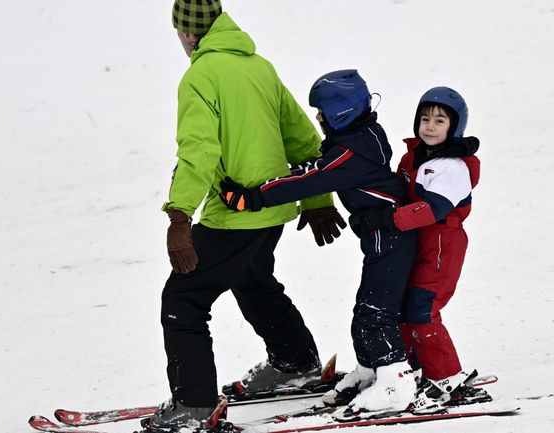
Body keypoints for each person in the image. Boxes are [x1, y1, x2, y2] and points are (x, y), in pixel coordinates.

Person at [148, 1, 348, 431]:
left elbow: (199, 151)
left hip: (236, 213)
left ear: (187, 33)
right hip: (273, 208)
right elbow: (302, 137)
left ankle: (193, 406)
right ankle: (296, 362)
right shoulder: (259, 67)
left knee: (183, 300)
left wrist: (180, 217)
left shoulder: (200, 76)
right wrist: (316, 200)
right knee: (252, 279)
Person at [219, 69, 418, 414]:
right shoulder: (360, 140)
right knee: (365, 311)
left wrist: (253, 197)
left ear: (340, 114)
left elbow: (310, 178)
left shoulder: (350, 156)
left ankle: (395, 383)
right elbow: (317, 168)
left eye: (321, 114)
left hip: (391, 239)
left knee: (375, 314)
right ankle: (370, 373)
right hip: (383, 239)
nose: (318, 120)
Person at [354, 86, 481, 412]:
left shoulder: (453, 168)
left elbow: (431, 210)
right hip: (415, 242)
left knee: (423, 310)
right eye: (425, 119)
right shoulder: (412, 157)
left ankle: (447, 378)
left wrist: (386, 219)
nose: (430, 126)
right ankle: (412, 371)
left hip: (441, 247)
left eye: (440, 121)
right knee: (403, 306)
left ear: (455, 127)